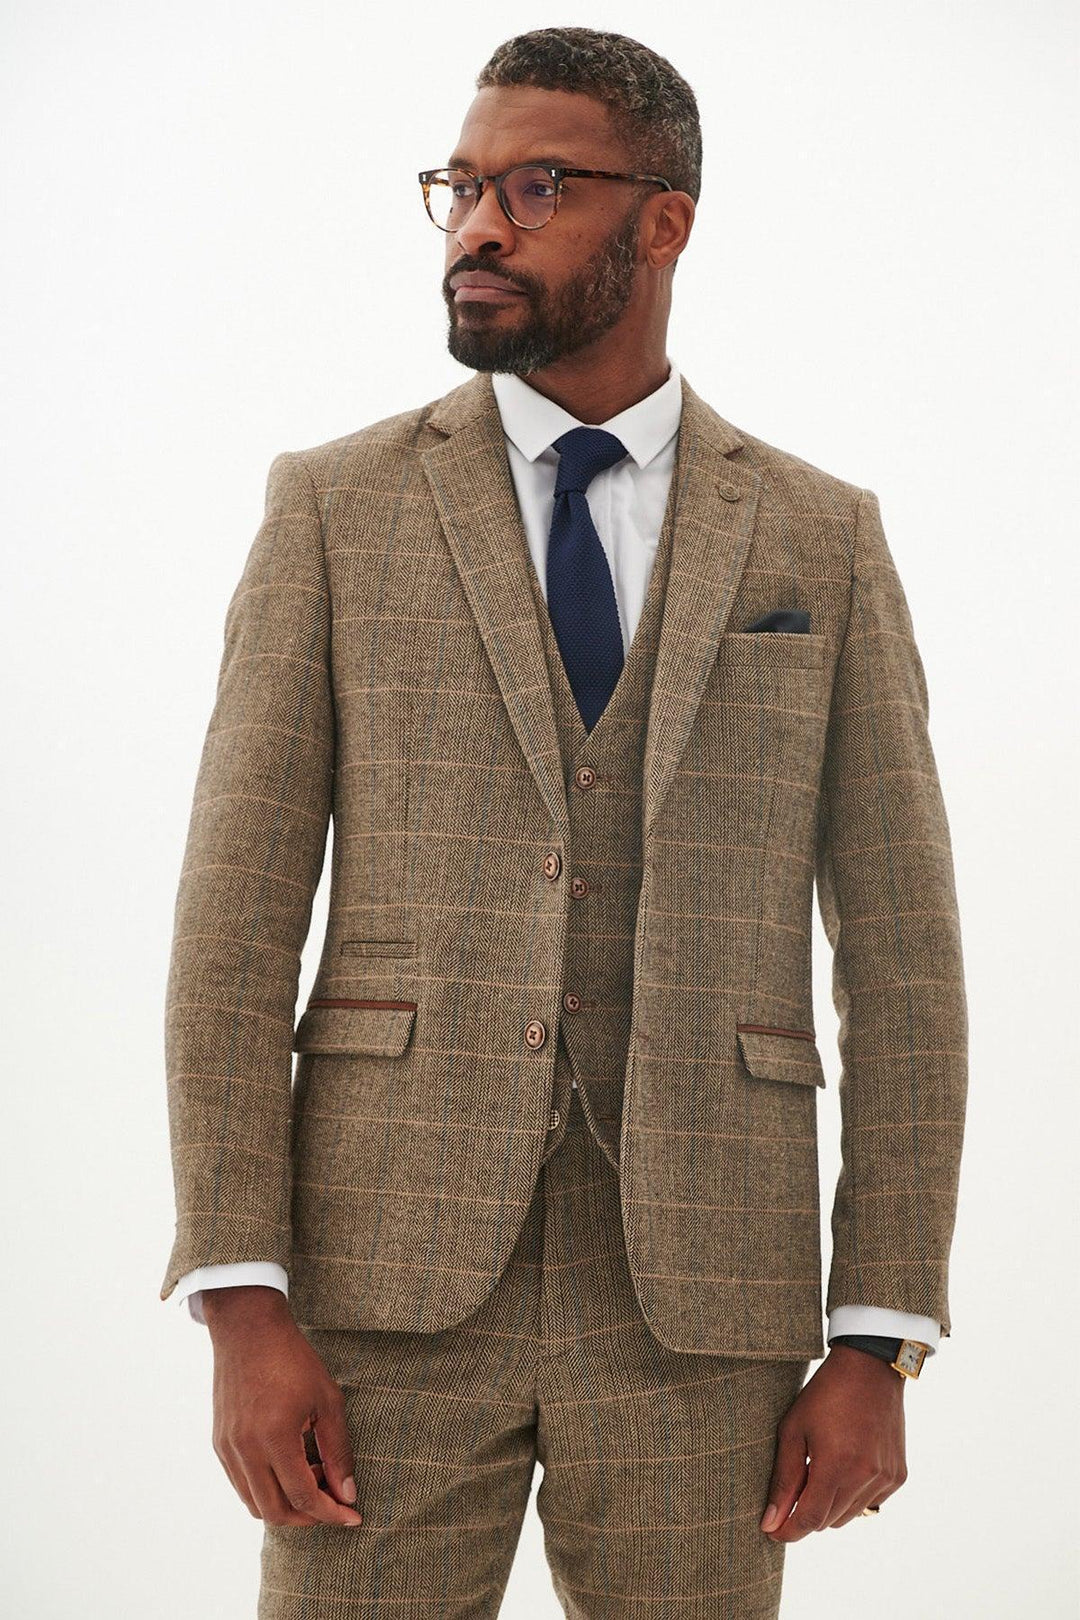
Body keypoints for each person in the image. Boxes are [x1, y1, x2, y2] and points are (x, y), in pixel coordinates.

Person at [159, 26, 968, 1618]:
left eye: (534, 187)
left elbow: (906, 962)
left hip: (705, 1306)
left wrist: (878, 1335)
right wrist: (240, 1298)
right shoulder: (333, 508)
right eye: (460, 187)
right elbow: (236, 919)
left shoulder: (823, 537)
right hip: (379, 1288)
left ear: (662, 221)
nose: (478, 227)